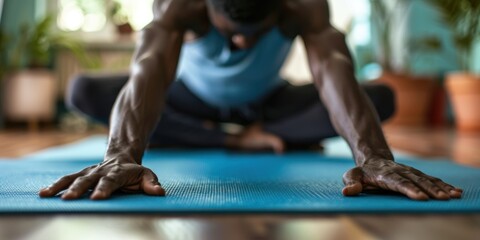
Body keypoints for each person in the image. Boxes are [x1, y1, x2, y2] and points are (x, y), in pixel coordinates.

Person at [39, 0, 462, 201]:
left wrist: (373, 157)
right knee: (82, 91)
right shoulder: (178, 6)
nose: (242, 41)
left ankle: (252, 134)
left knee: (380, 97)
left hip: (267, 102)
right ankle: (235, 140)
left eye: (255, 34)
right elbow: (148, 69)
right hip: (188, 99)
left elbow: (333, 67)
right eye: (230, 32)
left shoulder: (304, 6)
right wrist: (121, 154)